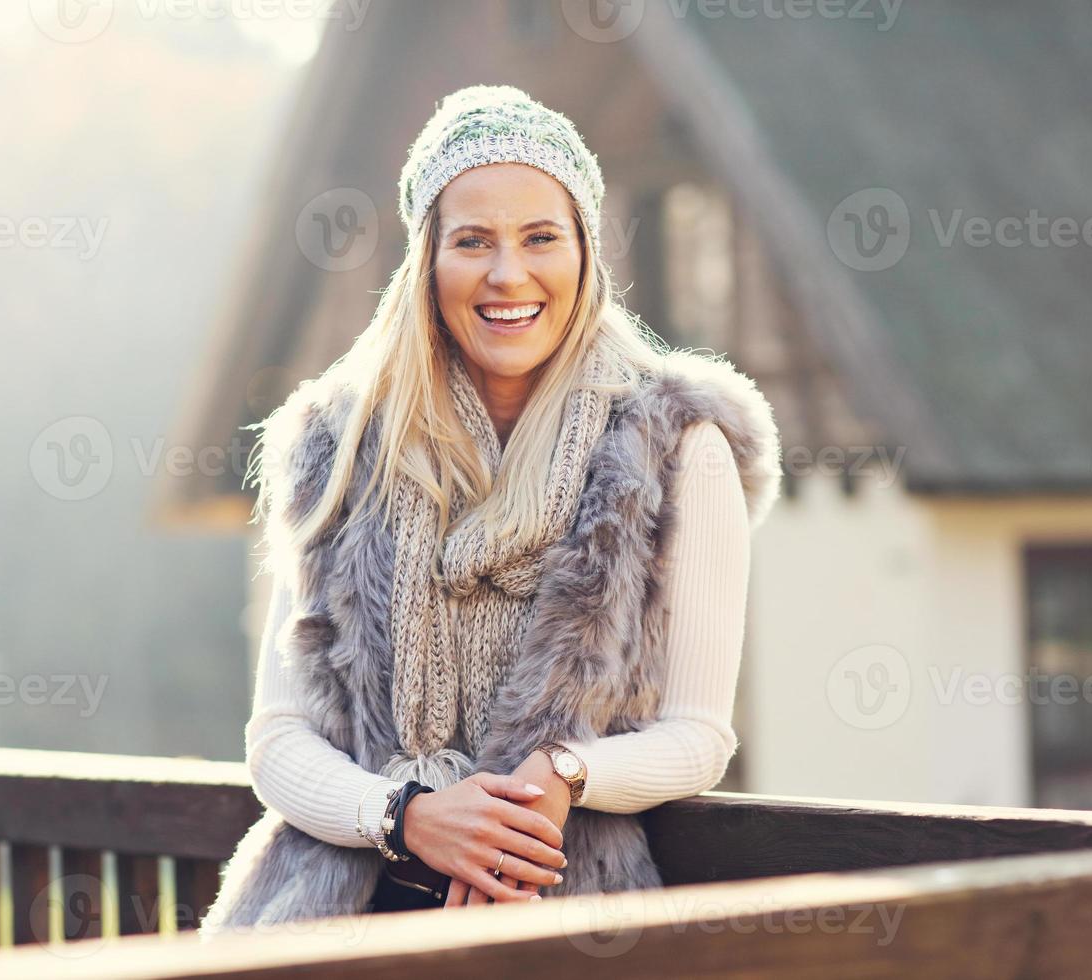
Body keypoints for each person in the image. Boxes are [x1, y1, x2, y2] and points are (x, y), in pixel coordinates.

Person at [198, 84, 781, 934]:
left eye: (540, 237)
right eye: (473, 241)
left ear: (584, 249)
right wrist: (404, 818)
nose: (509, 274)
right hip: (333, 925)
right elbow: (279, 743)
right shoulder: (339, 442)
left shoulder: (678, 443)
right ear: (428, 261)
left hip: (560, 920)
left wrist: (563, 773)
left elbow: (699, 737)